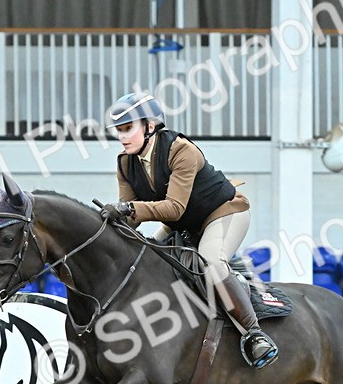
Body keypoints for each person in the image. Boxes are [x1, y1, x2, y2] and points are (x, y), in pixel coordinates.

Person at [102, 92, 278, 368]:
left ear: (149, 126)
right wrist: (108, 222)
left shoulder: (181, 150)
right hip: (184, 227)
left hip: (222, 214)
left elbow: (174, 208)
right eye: (119, 131)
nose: (122, 137)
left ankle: (254, 334)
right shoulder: (125, 163)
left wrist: (128, 209)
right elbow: (131, 214)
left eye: (127, 129)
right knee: (144, 259)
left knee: (212, 261)